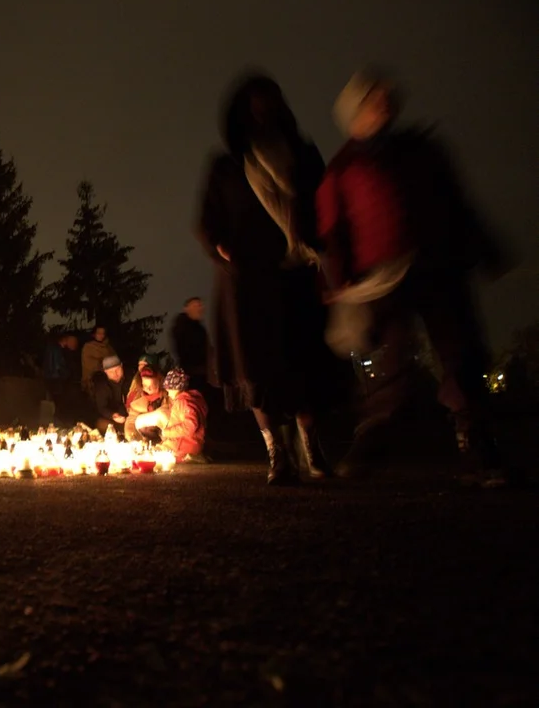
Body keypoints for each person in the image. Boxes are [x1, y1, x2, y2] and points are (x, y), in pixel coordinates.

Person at [318, 68, 509, 486]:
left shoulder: (423, 151)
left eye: (386, 96)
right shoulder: (343, 168)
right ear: (355, 112)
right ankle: (370, 443)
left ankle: (476, 443)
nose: (384, 101)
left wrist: (485, 247)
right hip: (381, 280)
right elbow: (333, 232)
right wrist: (341, 280)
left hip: (437, 265)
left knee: (459, 353)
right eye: (373, 98)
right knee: (389, 364)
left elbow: (457, 203)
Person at [195, 72, 346, 485]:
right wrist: (222, 248)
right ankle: (277, 455)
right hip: (247, 282)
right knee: (256, 371)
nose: (263, 112)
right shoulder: (227, 166)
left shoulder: (301, 154)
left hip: (295, 274)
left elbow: (325, 204)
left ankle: (312, 450)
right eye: (254, 105)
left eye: (270, 102)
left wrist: (325, 249)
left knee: (303, 365)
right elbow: (208, 220)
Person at [160, 368, 209, 463]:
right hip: (189, 443)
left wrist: (167, 432)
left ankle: (189, 457)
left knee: (159, 456)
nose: (168, 394)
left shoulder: (184, 402)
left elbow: (189, 426)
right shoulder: (192, 400)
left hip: (184, 444)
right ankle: (193, 455)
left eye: (169, 390)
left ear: (176, 388)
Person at [169, 297, 211, 393]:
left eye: (200, 305)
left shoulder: (200, 329)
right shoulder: (182, 326)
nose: (199, 308)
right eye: (195, 305)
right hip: (191, 374)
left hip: (203, 374)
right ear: (187, 308)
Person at [124, 364, 170, 442]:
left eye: (152, 386)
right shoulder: (138, 400)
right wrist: (131, 436)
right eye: (145, 385)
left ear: (159, 382)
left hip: (167, 437)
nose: (148, 389)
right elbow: (131, 421)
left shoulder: (168, 397)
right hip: (146, 439)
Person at [42, 331, 81, 423]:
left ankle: (58, 422)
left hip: (54, 379)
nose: (75, 344)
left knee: (58, 404)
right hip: (57, 380)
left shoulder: (54, 348)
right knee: (59, 404)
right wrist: (67, 375)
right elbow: (58, 366)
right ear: (66, 340)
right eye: (73, 341)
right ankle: (59, 423)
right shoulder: (57, 350)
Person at [91, 355, 127, 435]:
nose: (115, 374)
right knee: (102, 424)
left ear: (121, 366)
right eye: (111, 372)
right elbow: (101, 407)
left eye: (117, 370)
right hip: (113, 419)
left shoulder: (130, 380)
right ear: (105, 372)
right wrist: (113, 415)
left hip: (130, 416)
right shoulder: (102, 385)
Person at [81, 325, 115, 392]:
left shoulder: (108, 347)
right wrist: (102, 363)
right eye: (99, 333)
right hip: (94, 377)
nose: (101, 335)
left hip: (110, 377)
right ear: (94, 334)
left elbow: (114, 359)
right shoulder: (88, 347)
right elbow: (87, 362)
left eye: (103, 333)